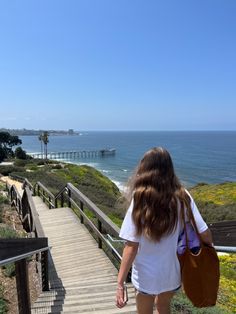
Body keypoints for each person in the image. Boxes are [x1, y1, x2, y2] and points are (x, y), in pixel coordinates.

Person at [116, 147, 213, 314]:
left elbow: (131, 246)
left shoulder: (140, 200)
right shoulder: (183, 196)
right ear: (169, 169)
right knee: (164, 305)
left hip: (146, 275)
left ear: (144, 169)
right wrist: (210, 251)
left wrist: (120, 283)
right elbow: (203, 231)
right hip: (172, 272)